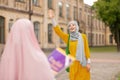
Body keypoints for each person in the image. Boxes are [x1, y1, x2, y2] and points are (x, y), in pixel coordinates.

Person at [48, 9, 91, 80]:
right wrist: (52, 19)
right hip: (73, 64)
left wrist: (88, 63)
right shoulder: (68, 38)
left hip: (83, 64)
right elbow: (59, 31)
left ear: (77, 27)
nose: (71, 27)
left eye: (73, 25)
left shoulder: (83, 37)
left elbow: (87, 50)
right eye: (70, 26)